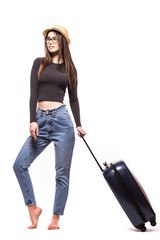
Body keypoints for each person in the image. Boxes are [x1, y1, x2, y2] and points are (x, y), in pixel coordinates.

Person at [13, 24, 86, 230]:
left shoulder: (70, 69)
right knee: (19, 164)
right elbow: (33, 94)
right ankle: (33, 208)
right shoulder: (39, 63)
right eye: (48, 38)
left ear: (62, 42)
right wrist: (32, 119)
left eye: (55, 38)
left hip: (62, 122)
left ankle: (55, 218)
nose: (50, 41)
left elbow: (74, 100)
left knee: (61, 174)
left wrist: (79, 124)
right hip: (41, 121)